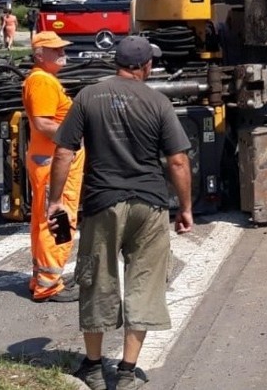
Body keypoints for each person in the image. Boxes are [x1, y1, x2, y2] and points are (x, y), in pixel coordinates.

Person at [48, 35, 193, 390]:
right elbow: (177, 160)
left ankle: (94, 368)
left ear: (117, 63)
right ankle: (126, 372)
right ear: (146, 66)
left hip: (103, 203)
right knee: (144, 285)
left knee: (98, 281)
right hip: (150, 205)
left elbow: (65, 152)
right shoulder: (158, 102)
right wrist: (186, 208)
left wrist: (56, 201)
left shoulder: (87, 97)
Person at [22, 31, 85, 303]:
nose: (63, 53)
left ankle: (43, 277)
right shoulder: (43, 82)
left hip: (46, 160)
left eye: (62, 48)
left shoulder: (44, 80)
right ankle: (48, 284)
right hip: (53, 163)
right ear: (39, 55)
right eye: (55, 50)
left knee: (43, 220)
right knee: (57, 218)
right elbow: (44, 123)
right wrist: (75, 136)